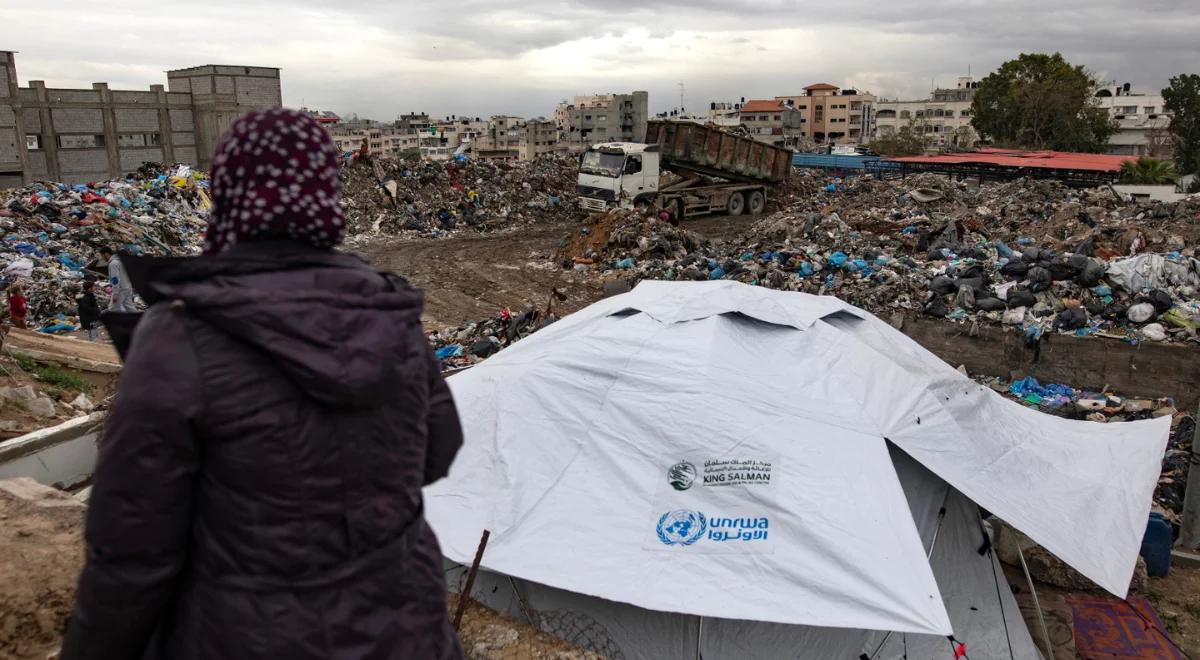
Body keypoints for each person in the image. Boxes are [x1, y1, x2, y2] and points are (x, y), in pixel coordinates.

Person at [61, 108, 465, 660]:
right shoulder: (388, 312)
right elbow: (437, 452)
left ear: (226, 195)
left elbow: (133, 549)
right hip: (406, 630)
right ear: (327, 196)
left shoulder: (180, 335)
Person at [100, 246, 136, 312]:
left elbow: (115, 279)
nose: (102, 258)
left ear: (106, 254)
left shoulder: (113, 263)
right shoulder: (121, 261)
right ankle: (139, 319)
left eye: (102, 256)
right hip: (127, 288)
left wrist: (115, 293)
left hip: (120, 290)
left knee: (112, 308)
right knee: (129, 307)